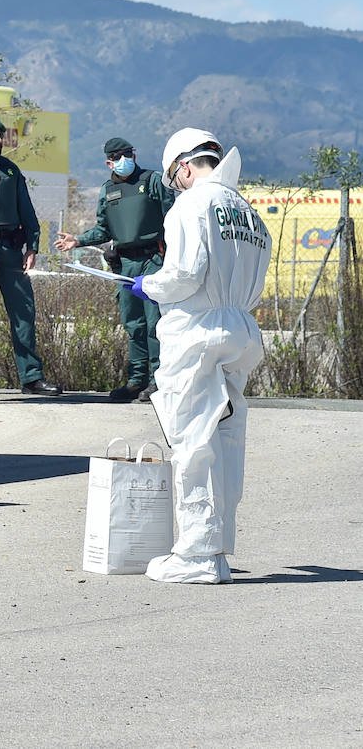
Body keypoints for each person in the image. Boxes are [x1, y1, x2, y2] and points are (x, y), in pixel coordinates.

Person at [128, 128, 270, 584]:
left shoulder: (191, 204)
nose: (177, 185)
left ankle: (194, 556)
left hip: (196, 330)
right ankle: (217, 552)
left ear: (184, 166)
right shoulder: (247, 213)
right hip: (239, 329)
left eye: (175, 178)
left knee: (192, 440)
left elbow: (185, 274)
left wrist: (148, 285)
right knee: (227, 439)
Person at [55, 137, 175, 402]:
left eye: (129, 153)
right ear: (109, 162)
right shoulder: (108, 191)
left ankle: (158, 381)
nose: (125, 160)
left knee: (155, 323)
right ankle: (136, 381)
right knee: (133, 324)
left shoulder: (152, 181)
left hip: (153, 259)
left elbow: (174, 218)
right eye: (119, 156)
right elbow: (103, 229)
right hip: (125, 265)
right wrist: (78, 240)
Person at [0, 113, 63, 397]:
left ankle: (31, 377)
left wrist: (32, 246)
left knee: (23, 312)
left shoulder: (10, 171)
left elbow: (27, 212)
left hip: (9, 249)